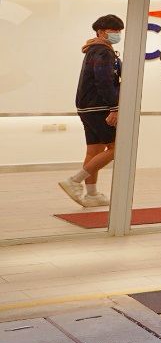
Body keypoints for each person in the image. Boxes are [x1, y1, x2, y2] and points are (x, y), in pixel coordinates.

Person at [61, 14, 124, 208]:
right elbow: (103, 81)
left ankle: (92, 195)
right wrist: (114, 107)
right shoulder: (103, 52)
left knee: (94, 150)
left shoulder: (94, 49)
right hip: (99, 107)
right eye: (114, 31)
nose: (118, 34)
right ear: (101, 31)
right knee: (117, 147)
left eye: (119, 31)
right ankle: (74, 181)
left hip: (87, 107)